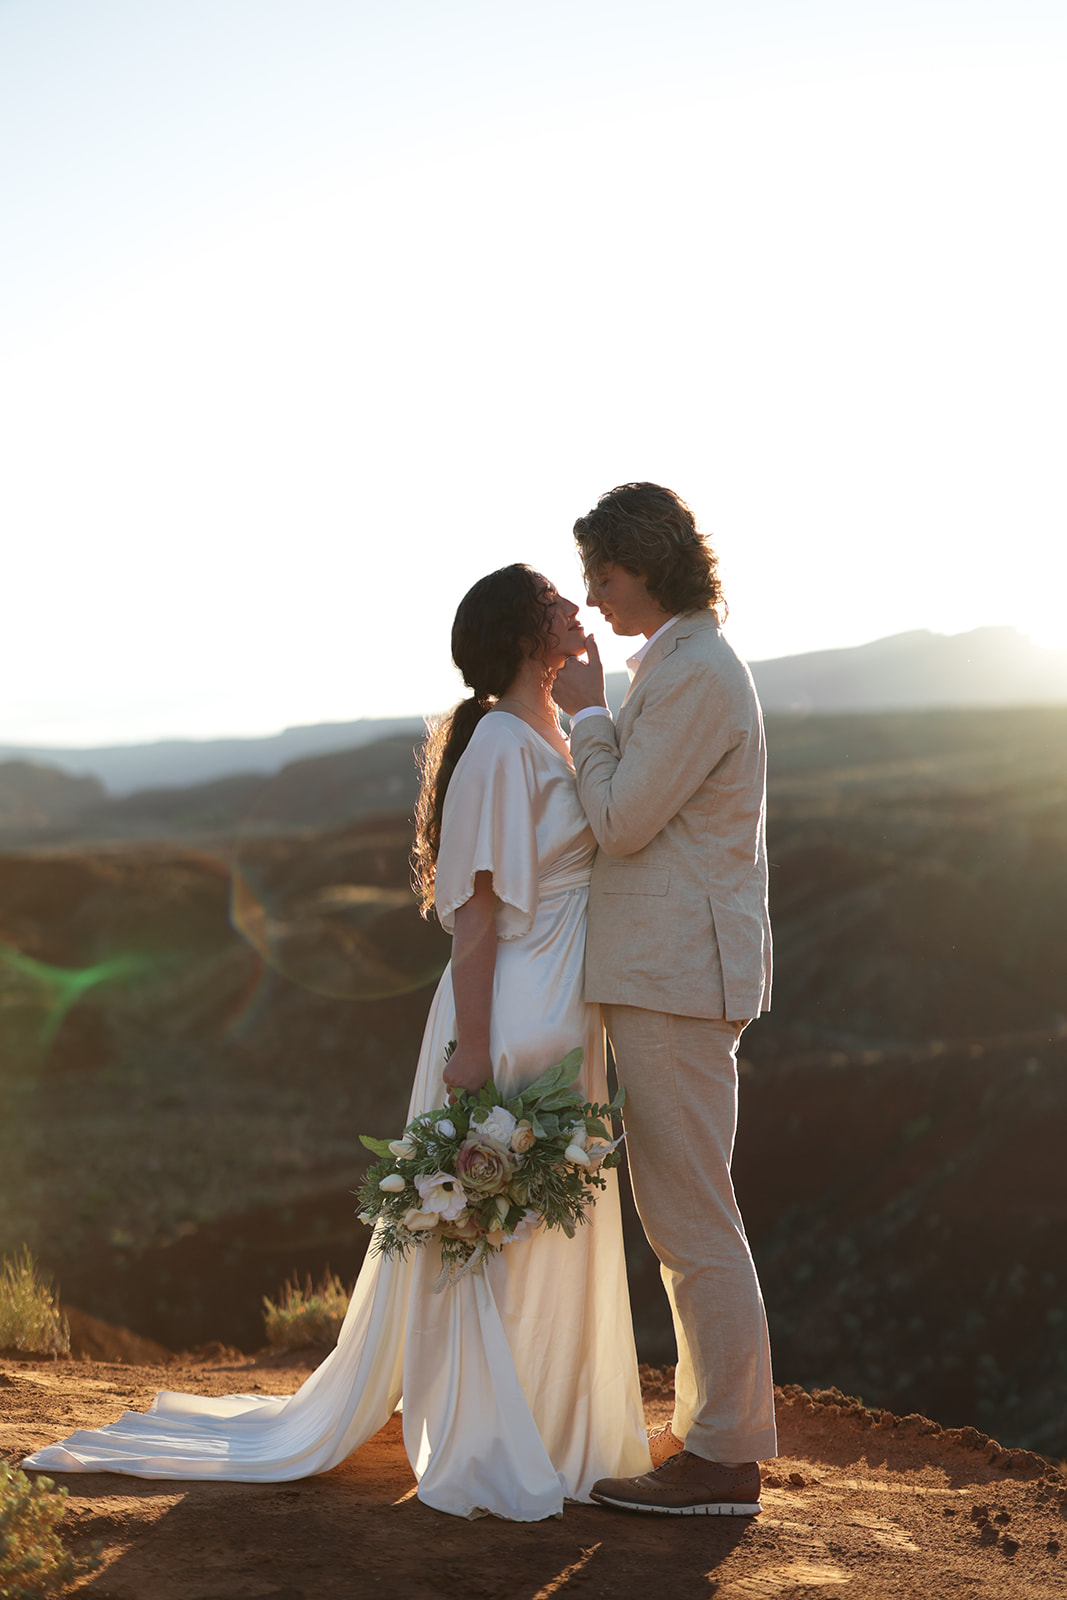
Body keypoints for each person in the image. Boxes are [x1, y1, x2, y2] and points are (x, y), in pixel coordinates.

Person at [22, 564, 650, 1521]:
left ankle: (558, 1426)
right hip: (516, 1005)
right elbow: (476, 912)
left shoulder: (556, 734)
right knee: (491, 1222)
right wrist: (472, 1045)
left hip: (573, 1008)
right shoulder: (496, 751)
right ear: (527, 635)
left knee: (550, 1218)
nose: (578, 608)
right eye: (558, 601)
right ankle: (494, 1431)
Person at [551, 483, 777, 1517]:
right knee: (679, 1207)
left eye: (601, 572)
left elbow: (623, 820)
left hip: (679, 974)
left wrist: (587, 717)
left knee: (692, 1213)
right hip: (670, 969)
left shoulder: (691, 673)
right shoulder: (680, 662)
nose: (593, 595)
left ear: (646, 561)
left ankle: (725, 1458)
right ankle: (706, 1432)